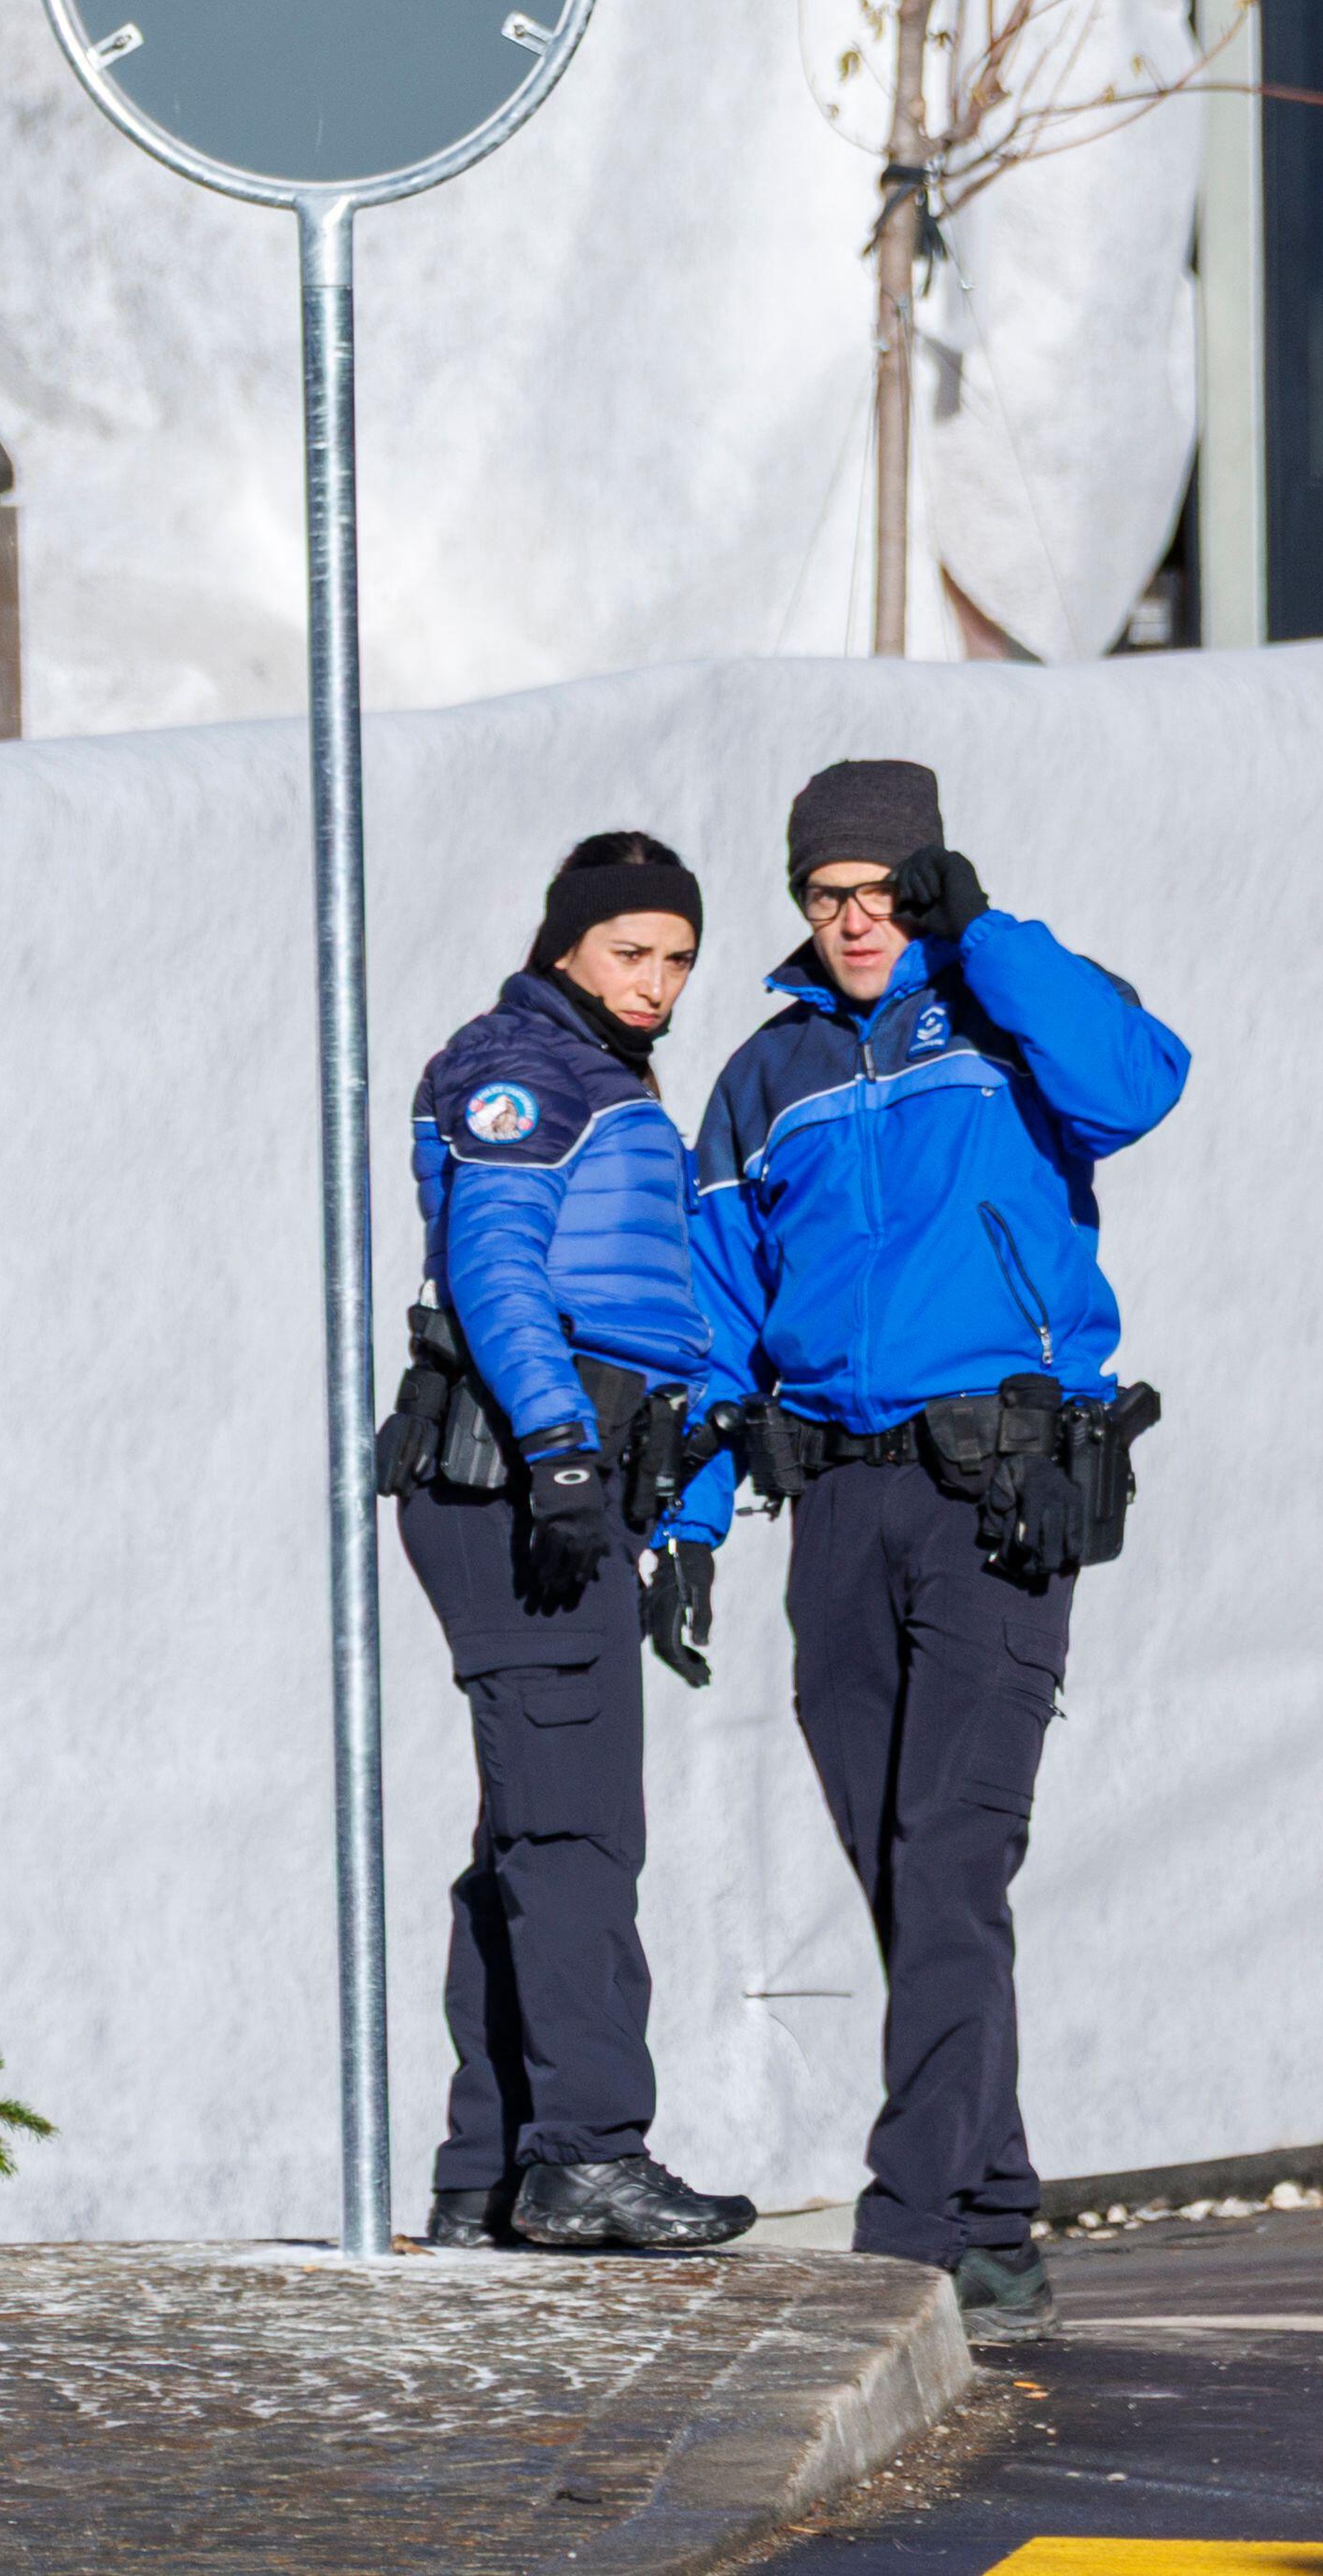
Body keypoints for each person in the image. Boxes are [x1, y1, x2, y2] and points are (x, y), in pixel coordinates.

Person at [689, 760, 1190, 2351]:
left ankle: (906, 2232)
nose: (851, 923)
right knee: (901, 1866)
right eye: (824, 896)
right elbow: (712, 1293)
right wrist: (693, 1511)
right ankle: (993, 2216)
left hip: (996, 1490)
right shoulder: (762, 1073)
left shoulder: (1010, 1013)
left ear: (926, 886)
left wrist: (984, 932)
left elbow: (1137, 1082)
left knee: (952, 1848)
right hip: (834, 1502)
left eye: (879, 893)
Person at [384, 831, 765, 2255]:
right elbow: (492, 1260)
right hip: (512, 1482)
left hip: (567, 1480)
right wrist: (555, 1448)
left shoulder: (597, 1072)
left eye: (676, 956)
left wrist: (661, 1506)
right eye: (629, 950)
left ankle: (487, 2170)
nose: (657, 980)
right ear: (566, 945)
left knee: (533, 1834)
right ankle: (585, 2154)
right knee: (576, 1832)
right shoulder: (522, 1067)